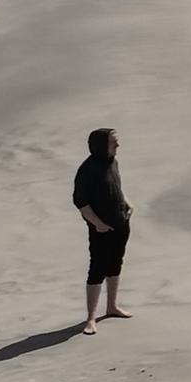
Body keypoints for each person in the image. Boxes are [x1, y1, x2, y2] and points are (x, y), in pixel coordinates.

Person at [70, 128, 133, 328]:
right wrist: (98, 224)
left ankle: (112, 307)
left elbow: (115, 188)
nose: (118, 145)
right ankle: (90, 317)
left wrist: (127, 203)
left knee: (116, 264)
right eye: (113, 142)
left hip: (122, 222)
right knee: (97, 268)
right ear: (101, 145)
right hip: (101, 229)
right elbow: (81, 202)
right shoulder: (87, 170)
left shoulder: (113, 162)